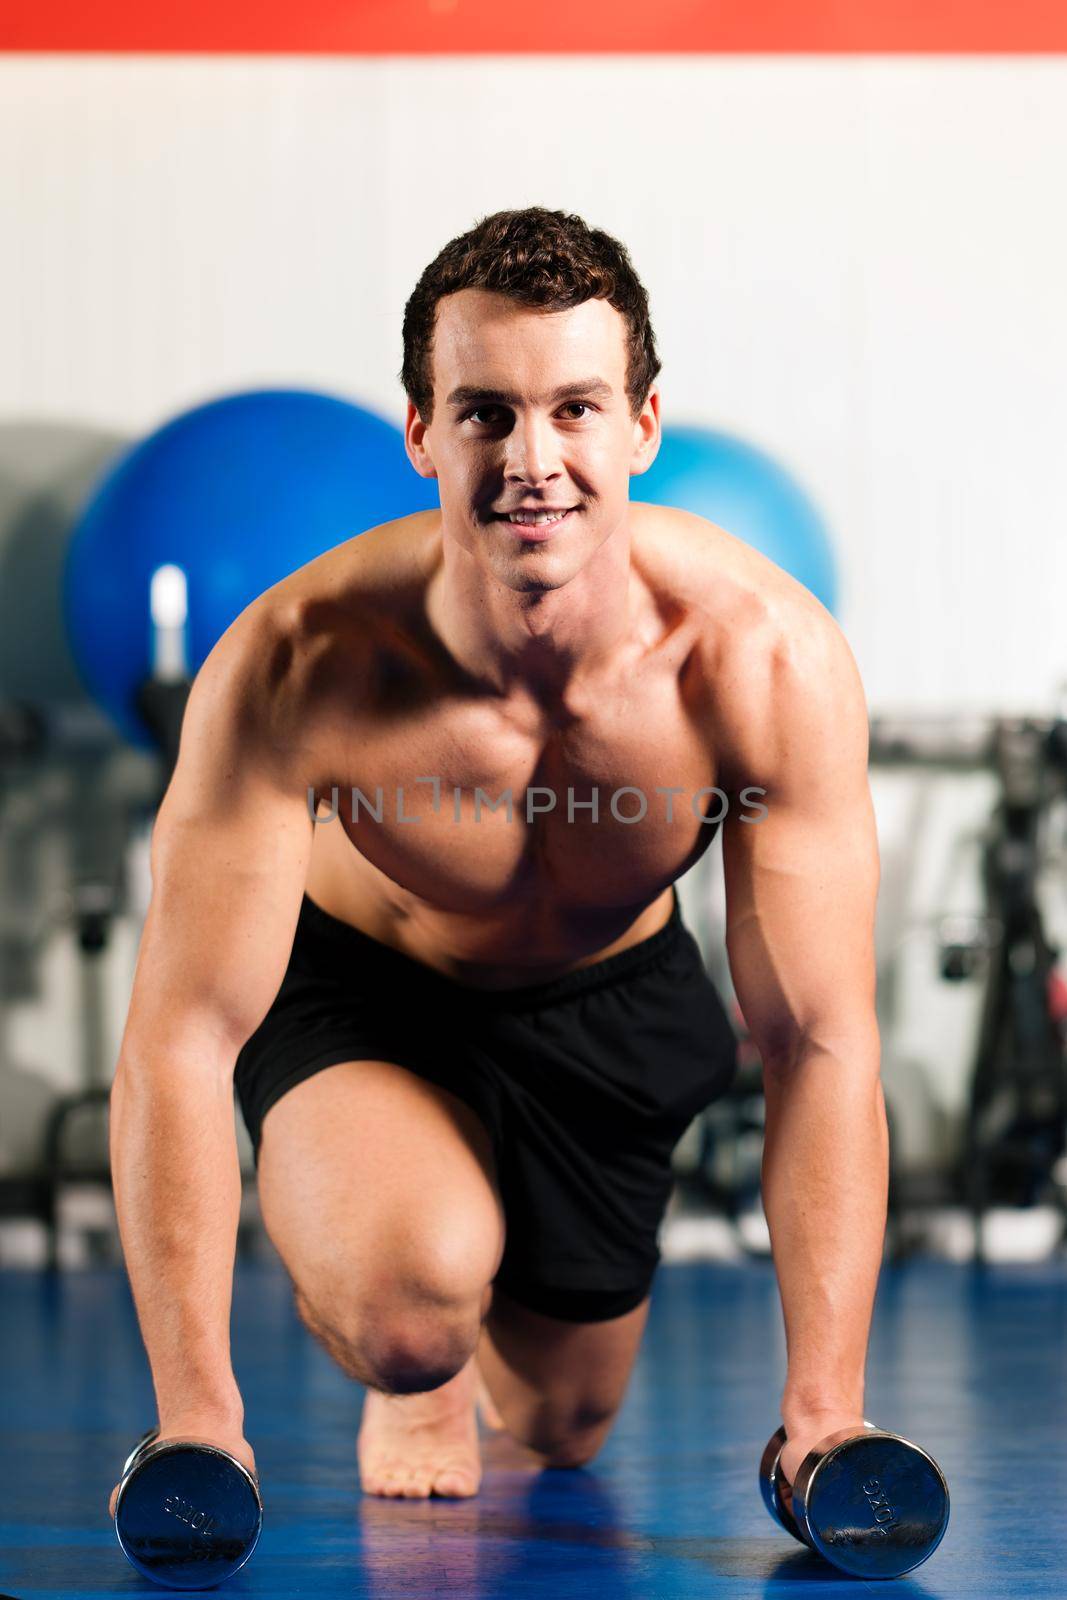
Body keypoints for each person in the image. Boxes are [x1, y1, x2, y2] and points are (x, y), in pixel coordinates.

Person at [108, 207, 885, 1510]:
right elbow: (177, 1041)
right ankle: (415, 1369)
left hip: (610, 1007)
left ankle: (493, 1357)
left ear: (643, 424)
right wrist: (199, 1425)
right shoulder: (297, 664)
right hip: (373, 990)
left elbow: (820, 1038)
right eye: (485, 413)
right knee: (419, 1312)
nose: (534, 460)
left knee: (569, 1425)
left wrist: (825, 1419)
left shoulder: (761, 662)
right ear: (420, 432)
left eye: (576, 408)